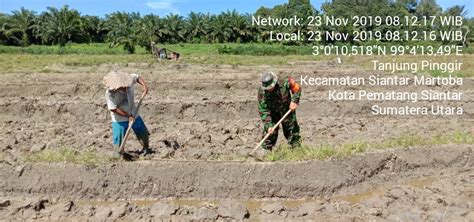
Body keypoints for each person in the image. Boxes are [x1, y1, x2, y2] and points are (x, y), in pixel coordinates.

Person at [103, 71, 151, 157]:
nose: (123, 87)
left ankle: (146, 148)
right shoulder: (110, 94)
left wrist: (144, 86)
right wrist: (128, 116)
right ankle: (119, 154)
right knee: (119, 140)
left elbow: (137, 77)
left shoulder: (129, 80)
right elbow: (113, 108)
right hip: (119, 118)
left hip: (133, 112)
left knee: (142, 132)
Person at [257, 71, 302, 150]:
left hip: (287, 109)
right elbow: (263, 110)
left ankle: (296, 149)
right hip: (272, 113)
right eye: (268, 88)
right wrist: (268, 125)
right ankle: (265, 152)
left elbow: (297, 88)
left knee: (292, 130)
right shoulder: (262, 92)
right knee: (270, 132)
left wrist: (295, 101)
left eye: (271, 87)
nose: (270, 89)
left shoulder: (285, 81)